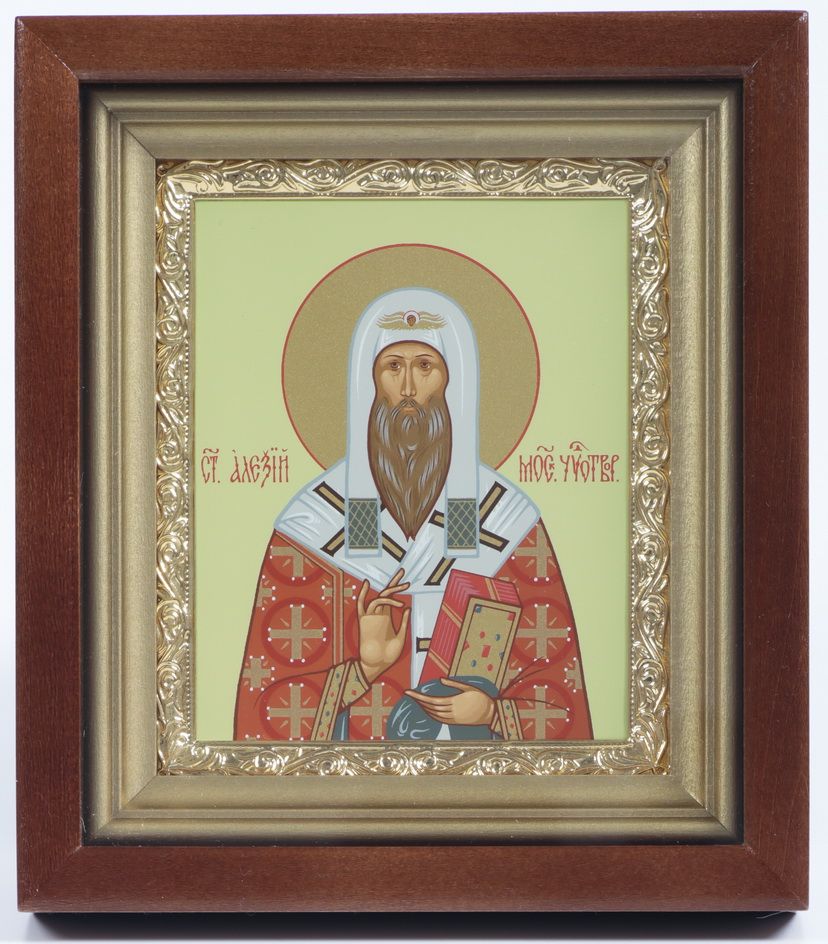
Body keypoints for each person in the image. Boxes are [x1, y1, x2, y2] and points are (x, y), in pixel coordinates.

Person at [234, 287, 592, 741]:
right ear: (369, 382)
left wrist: (491, 713)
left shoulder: (506, 520)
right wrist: (364, 670)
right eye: (392, 367)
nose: (407, 389)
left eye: (425, 367)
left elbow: (558, 694)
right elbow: (265, 704)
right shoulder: (312, 524)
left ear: (453, 380)